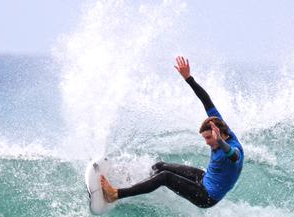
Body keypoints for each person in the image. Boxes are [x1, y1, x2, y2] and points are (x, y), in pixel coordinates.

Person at [100, 56, 244, 208]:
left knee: (165, 177)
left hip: (207, 196)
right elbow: (206, 101)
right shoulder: (220, 125)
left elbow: (232, 155)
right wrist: (188, 78)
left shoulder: (233, 152)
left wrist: (220, 142)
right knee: (160, 166)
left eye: (209, 138)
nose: (206, 142)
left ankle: (116, 194)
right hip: (206, 178)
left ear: (220, 134)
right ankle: (134, 184)